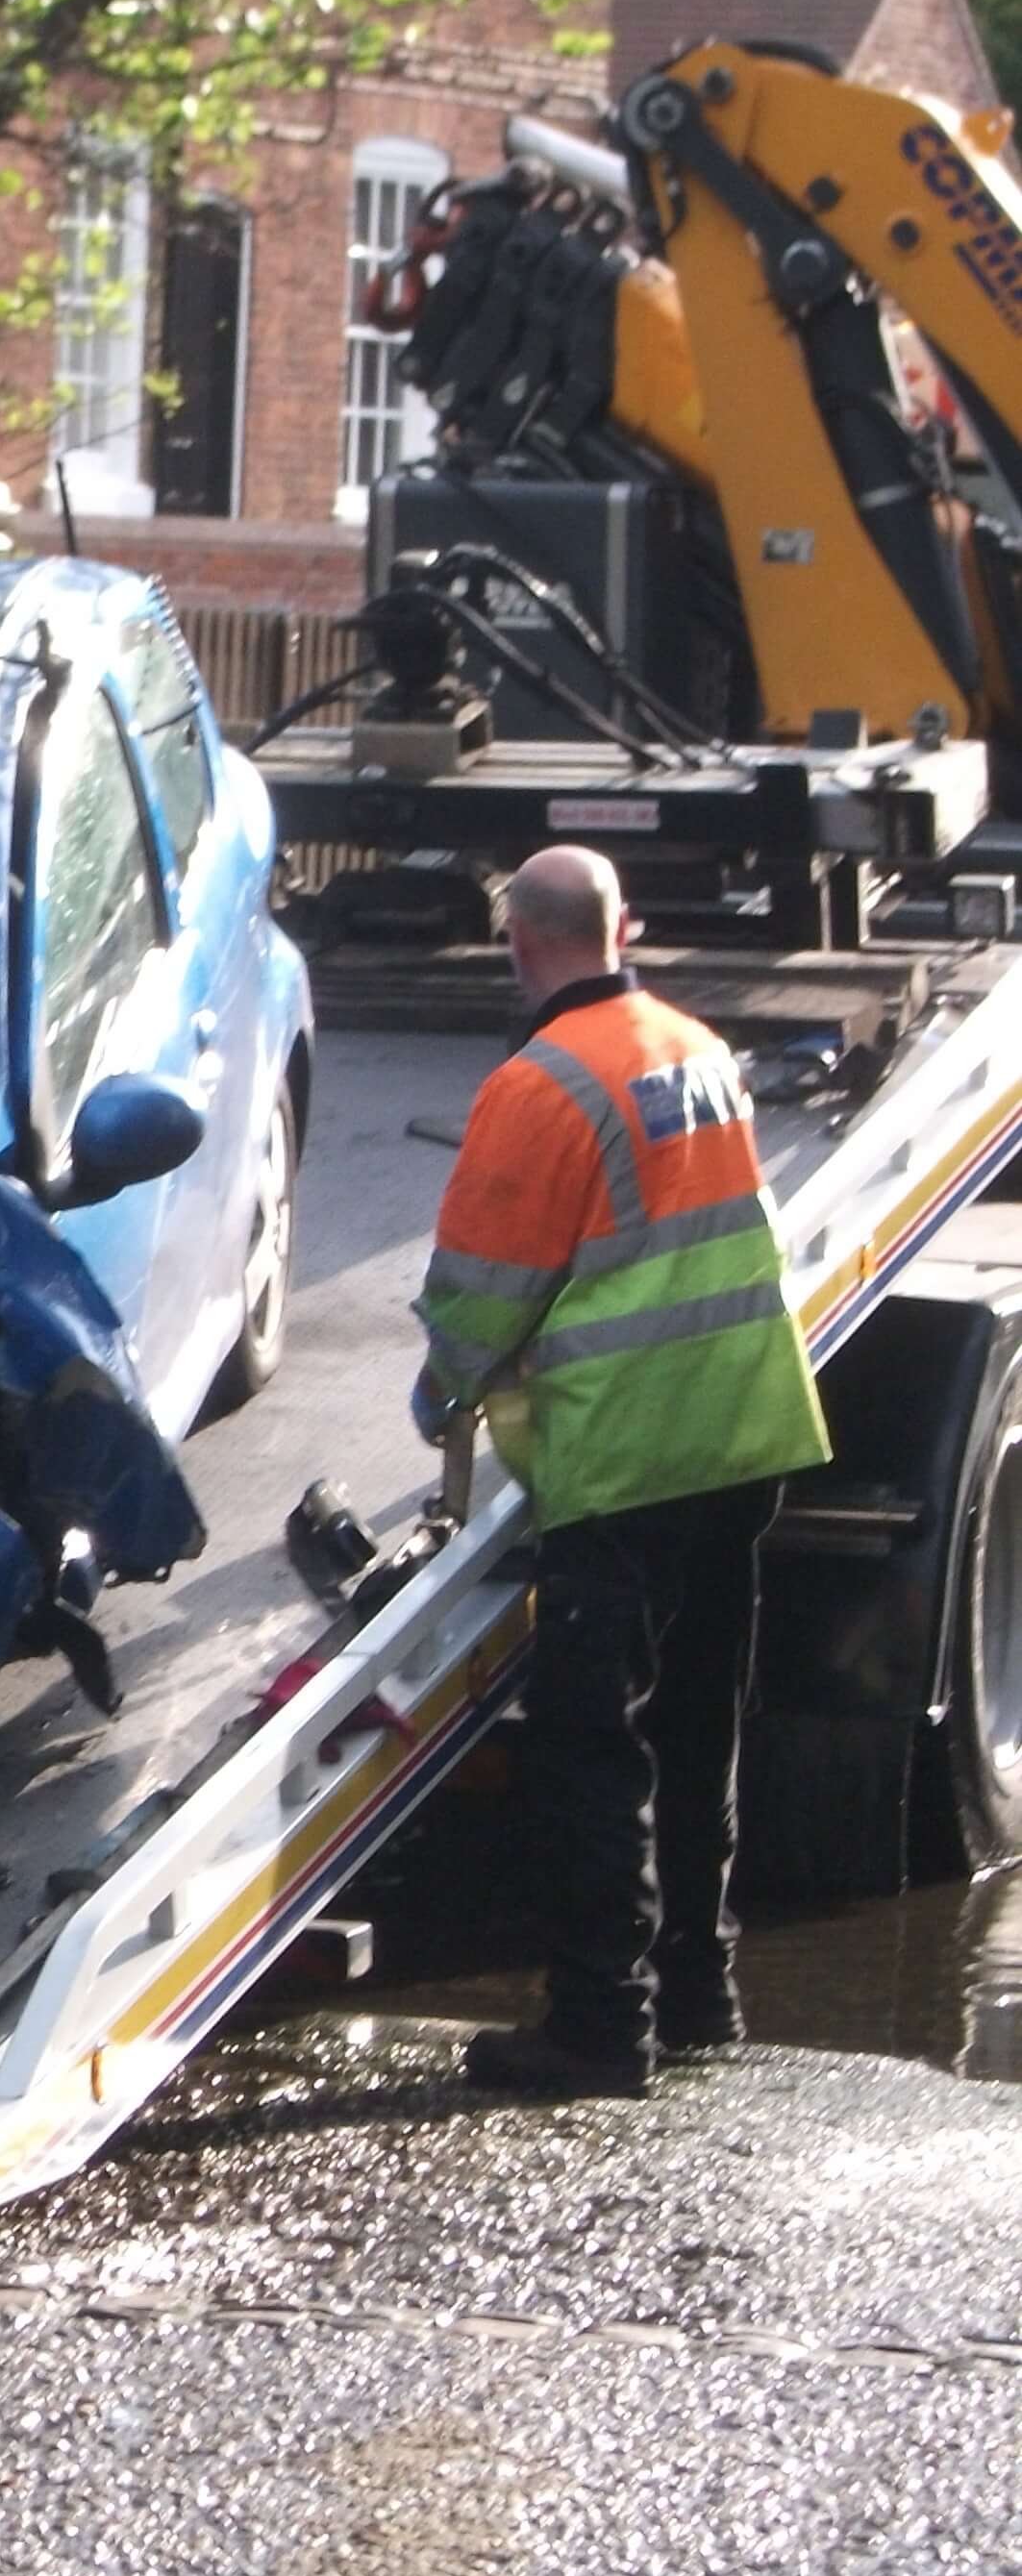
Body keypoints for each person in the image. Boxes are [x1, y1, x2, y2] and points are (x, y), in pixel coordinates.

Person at [411, 844, 830, 2096]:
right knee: (701, 1723)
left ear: (517, 941)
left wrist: (445, 1388)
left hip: (630, 1455)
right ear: (620, 926)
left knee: (595, 1742)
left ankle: (603, 2027)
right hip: (743, 1431)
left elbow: (483, 1299)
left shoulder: (536, 1087)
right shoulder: (698, 1049)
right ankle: (702, 1993)